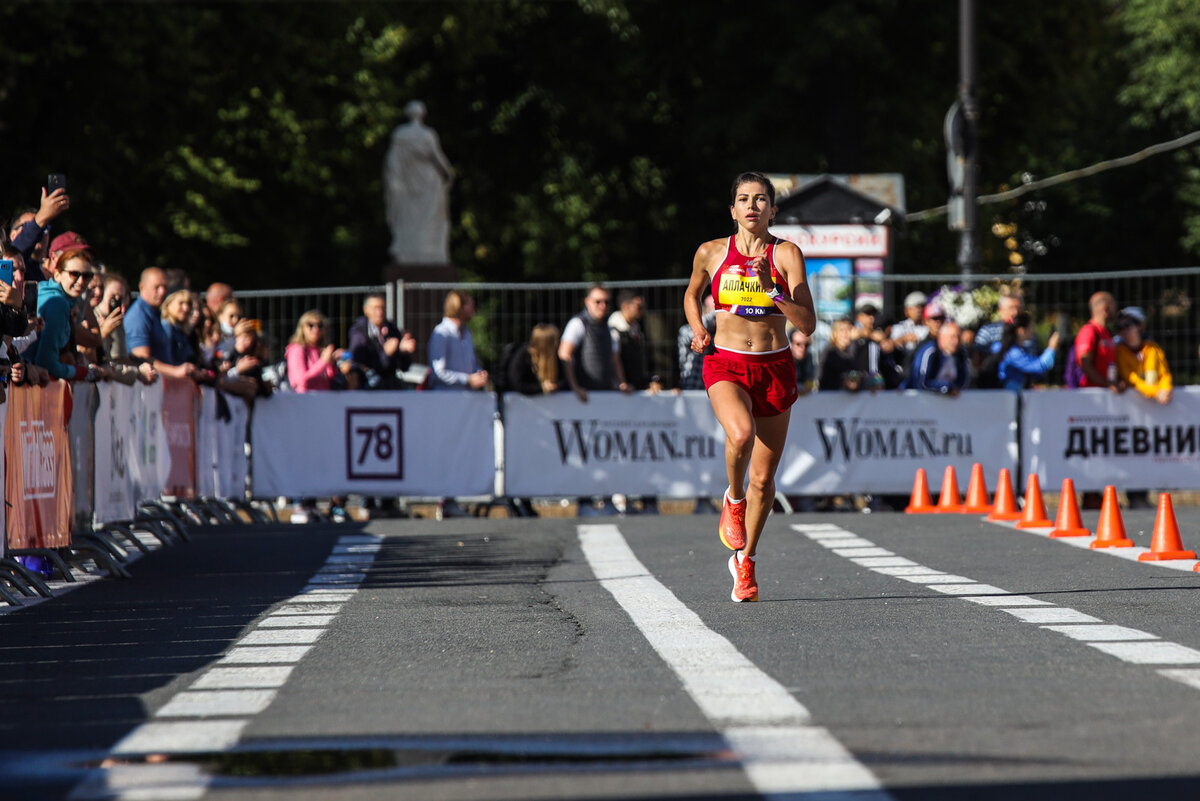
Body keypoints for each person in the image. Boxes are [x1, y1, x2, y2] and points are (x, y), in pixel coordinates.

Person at [683, 171, 816, 603]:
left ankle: (746, 561)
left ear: (773, 210)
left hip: (774, 366)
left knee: (765, 479)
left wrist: (771, 290)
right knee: (739, 433)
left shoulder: (787, 254)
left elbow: (807, 324)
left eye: (761, 200)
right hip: (726, 362)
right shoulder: (711, 251)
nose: (753, 206)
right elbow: (691, 293)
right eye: (744, 199)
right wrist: (696, 327)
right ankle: (732, 501)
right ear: (733, 209)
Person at [384, 99, 454, 265]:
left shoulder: (400, 134)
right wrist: (449, 172)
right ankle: (428, 252)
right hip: (428, 180)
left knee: (409, 218)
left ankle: (410, 251)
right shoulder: (427, 134)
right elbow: (437, 156)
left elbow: (392, 161)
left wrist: (394, 181)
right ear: (423, 113)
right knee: (429, 219)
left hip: (408, 180)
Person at [32, 248, 110, 382]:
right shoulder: (57, 303)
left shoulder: (54, 296)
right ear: (57, 275)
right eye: (74, 274)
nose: (81, 281)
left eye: (87, 276)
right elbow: (46, 362)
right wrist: (81, 372)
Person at [559, 284, 630, 403]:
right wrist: (575, 387)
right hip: (583, 397)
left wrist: (622, 383)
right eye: (598, 302)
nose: (603, 306)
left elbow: (615, 358)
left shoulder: (609, 326)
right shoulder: (577, 323)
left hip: (605, 393)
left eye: (606, 302)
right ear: (587, 302)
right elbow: (564, 354)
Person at [126, 267, 195, 379]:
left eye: (164, 287)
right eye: (157, 287)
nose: (162, 292)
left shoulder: (155, 312)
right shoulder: (138, 316)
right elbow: (141, 357)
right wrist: (175, 371)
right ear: (142, 287)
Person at [347, 292, 415, 388]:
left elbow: (404, 367)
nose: (380, 312)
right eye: (375, 308)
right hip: (368, 388)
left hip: (390, 387)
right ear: (366, 310)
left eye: (382, 307)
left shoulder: (392, 329)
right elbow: (360, 364)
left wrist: (403, 352)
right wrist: (385, 353)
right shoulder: (359, 332)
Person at [428, 290, 487, 390]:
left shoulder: (467, 333)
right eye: (470, 305)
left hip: (466, 397)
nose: (474, 310)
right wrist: (467, 379)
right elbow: (438, 372)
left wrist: (478, 374)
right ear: (459, 306)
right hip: (446, 397)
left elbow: (472, 363)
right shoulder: (442, 333)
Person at [1115, 306, 1171, 404]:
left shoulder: (1152, 348)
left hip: (1155, 401)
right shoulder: (1119, 350)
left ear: (1140, 325)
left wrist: (1166, 389)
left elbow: (1164, 374)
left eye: (1127, 325)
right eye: (1119, 327)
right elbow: (1131, 378)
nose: (1123, 331)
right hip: (1128, 404)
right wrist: (1155, 392)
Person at [609, 289, 661, 392]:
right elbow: (614, 359)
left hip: (634, 387)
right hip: (621, 389)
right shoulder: (613, 328)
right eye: (639, 307)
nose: (642, 311)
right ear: (625, 306)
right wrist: (622, 383)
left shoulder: (636, 327)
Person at [1074, 291, 1124, 391]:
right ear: (1105, 308)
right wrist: (1107, 384)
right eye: (1113, 305)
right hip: (1093, 396)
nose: (1116, 310)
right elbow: (1085, 366)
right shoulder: (1089, 331)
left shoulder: (1107, 333)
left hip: (1108, 394)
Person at [996, 312, 1060, 391]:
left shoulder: (1012, 348)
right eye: (1031, 327)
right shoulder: (1012, 353)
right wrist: (1051, 348)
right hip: (1008, 398)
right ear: (1021, 331)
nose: (1033, 331)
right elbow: (1039, 366)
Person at [286, 310, 345, 393]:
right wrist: (323, 362)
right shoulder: (297, 349)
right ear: (302, 328)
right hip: (305, 401)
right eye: (311, 325)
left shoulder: (322, 349)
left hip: (324, 400)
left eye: (320, 325)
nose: (316, 329)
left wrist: (332, 363)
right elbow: (301, 381)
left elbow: (328, 380)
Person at [907, 320, 970, 395]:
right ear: (941, 337)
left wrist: (954, 389)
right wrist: (946, 387)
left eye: (958, 337)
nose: (956, 341)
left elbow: (963, 381)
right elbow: (920, 382)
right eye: (952, 337)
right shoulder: (930, 352)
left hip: (950, 401)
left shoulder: (961, 353)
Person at [506, 323, 563, 395]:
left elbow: (565, 380)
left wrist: (556, 386)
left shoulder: (557, 356)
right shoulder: (523, 356)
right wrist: (541, 388)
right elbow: (517, 384)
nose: (558, 343)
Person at [677, 292, 716, 390]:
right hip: (691, 387)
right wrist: (717, 314)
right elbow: (690, 337)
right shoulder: (686, 330)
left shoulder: (717, 334)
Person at [160, 289, 197, 366]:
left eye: (188, 304)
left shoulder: (180, 329)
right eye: (181, 303)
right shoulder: (166, 327)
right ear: (168, 304)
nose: (186, 308)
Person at [789, 327, 815, 396]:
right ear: (791, 344)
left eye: (806, 345)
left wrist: (808, 386)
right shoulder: (784, 360)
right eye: (798, 344)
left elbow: (811, 378)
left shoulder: (809, 356)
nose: (802, 348)